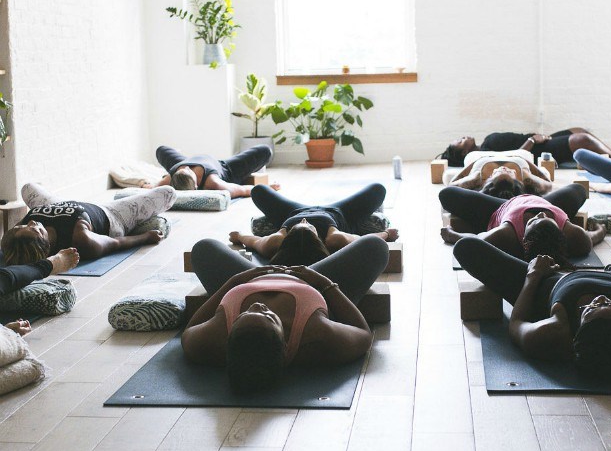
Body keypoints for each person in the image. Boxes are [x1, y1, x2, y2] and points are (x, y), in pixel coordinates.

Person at [454, 235, 611, 379]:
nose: (601, 298)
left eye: (591, 308)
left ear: (576, 330)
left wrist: (533, 275)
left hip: (547, 284)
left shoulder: (555, 333)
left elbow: (517, 325)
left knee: (466, 247)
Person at [181, 235, 389, 392]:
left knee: (203, 248)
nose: (258, 306)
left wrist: (233, 281)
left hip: (248, 278)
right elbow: (363, 334)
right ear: (286, 343)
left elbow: (188, 331)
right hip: (314, 281)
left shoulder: (213, 336)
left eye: (242, 316)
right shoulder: (315, 333)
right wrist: (325, 284)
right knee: (375, 246)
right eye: (271, 317)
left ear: (229, 336)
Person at [1, 183, 176, 265]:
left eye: (22, 226)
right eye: (35, 230)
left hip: (61, 203)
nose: (31, 222)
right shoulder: (80, 240)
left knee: (27, 188)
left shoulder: (23, 233)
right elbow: (116, 243)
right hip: (110, 214)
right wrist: (146, 237)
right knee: (169, 193)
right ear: (44, 244)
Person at [231, 183, 399, 266]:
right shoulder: (335, 239)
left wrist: (238, 236)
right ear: (317, 238)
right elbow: (365, 240)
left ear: (287, 237)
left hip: (291, 212)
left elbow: (253, 241)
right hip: (338, 211)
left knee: (258, 191)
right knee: (378, 189)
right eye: (308, 226)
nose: (305, 221)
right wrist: (386, 234)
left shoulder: (275, 242)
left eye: (300, 225)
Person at [439, 184, 605, 263]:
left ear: (524, 238)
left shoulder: (506, 234)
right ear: (560, 232)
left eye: (534, 220)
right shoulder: (572, 233)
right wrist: (601, 229)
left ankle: (503, 192)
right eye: (547, 218)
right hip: (545, 200)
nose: (540, 213)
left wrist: (451, 234)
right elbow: (592, 238)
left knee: (447, 194)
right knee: (579, 190)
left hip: (501, 207)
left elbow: (474, 241)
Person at [439, 128, 611, 168]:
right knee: (582, 139)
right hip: (536, 149)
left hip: (538, 141)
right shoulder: (484, 151)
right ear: (464, 152)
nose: (462, 137)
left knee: (578, 130)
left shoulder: (485, 142)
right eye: (459, 141)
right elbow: (516, 156)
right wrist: (533, 141)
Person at [151, 145, 279, 198]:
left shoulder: (170, 178)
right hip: (225, 167)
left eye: (183, 169)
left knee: (161, 149)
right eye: (188, 171)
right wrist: (267, 188)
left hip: (185, 159)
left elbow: (149, 189)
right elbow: (243, 190)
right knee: (265, 151)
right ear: (196, 186)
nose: (186, 167)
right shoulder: (213, 183)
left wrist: (144, 184)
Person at [447, 149, 553, 197]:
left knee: (447, 175)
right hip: (518, 154)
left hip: (479, 156)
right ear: (516, 180)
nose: (503, 168)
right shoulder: (525, 178)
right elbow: (548, 183)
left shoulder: (477, 179)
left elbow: (451, 184)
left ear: (491, 177)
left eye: (500, 172)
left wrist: (473, 164)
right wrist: (527, 163)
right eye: (507, 172)